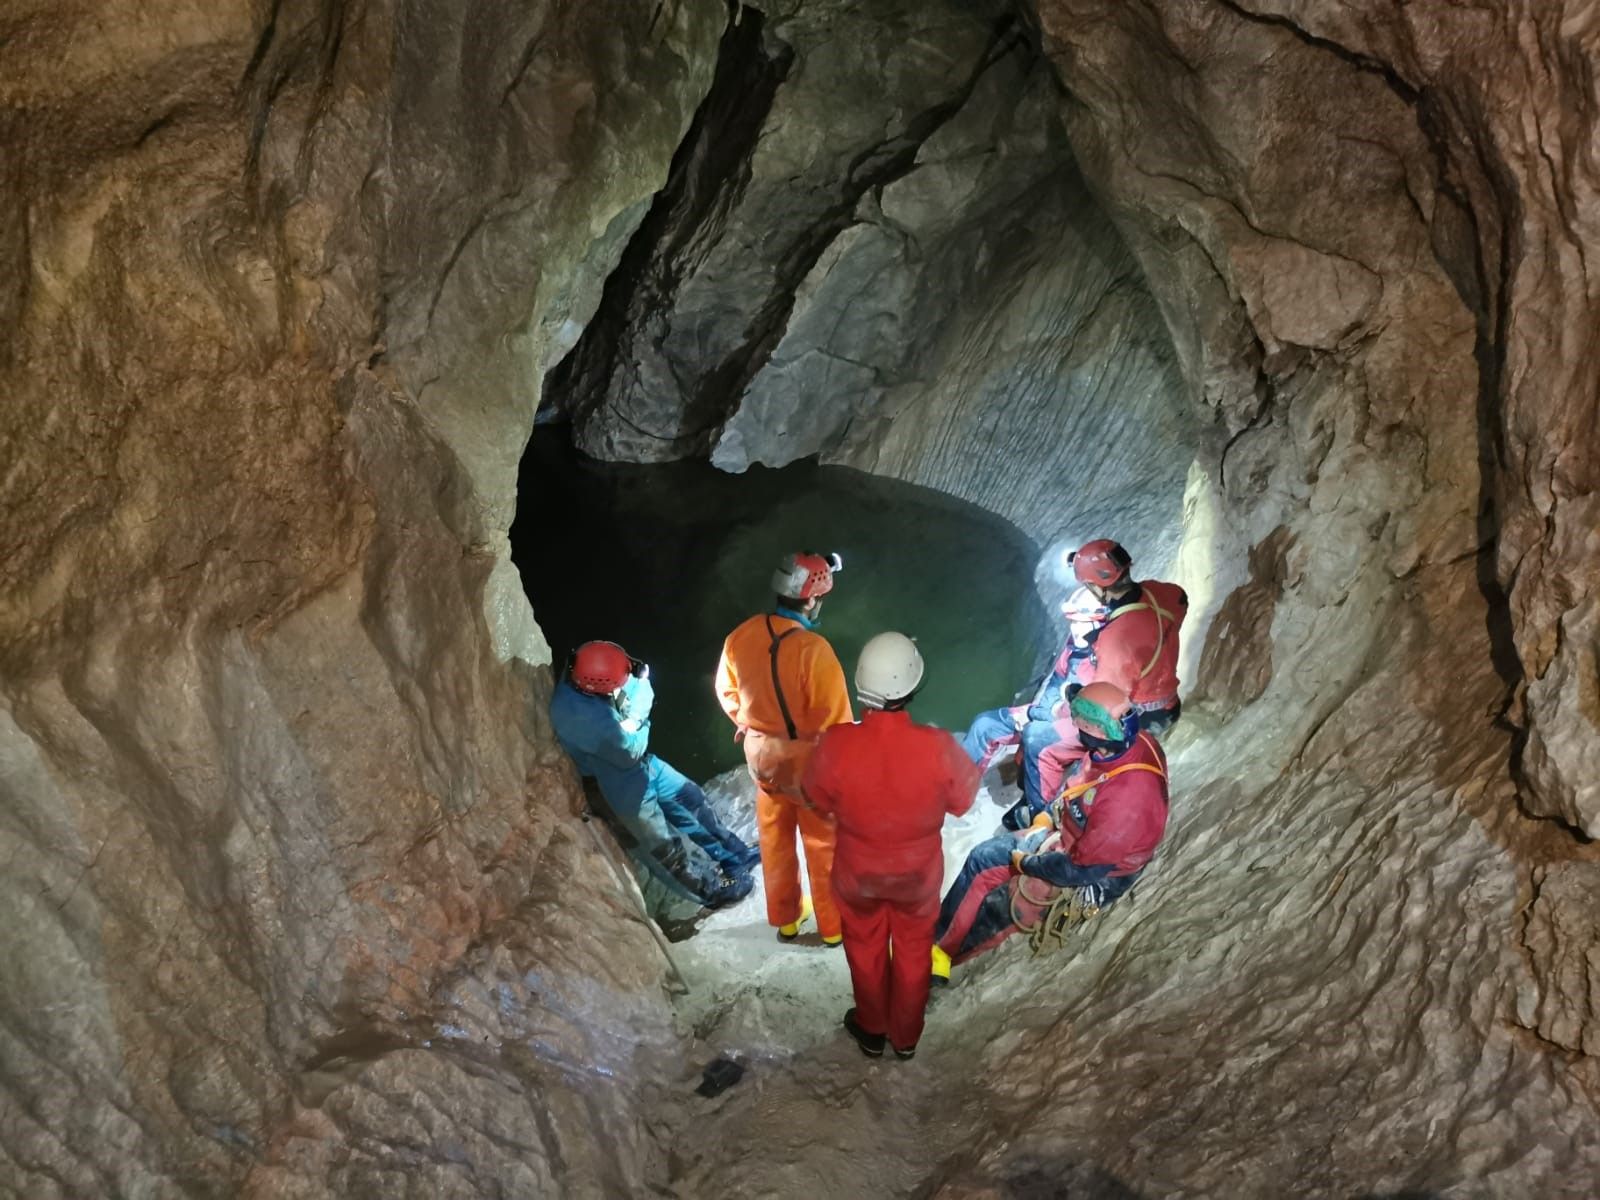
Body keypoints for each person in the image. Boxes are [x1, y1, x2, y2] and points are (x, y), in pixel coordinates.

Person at [803, 632, 979, 1060]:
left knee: (863, 946)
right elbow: (963, 800)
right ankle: (906, 1036)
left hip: (857, 874)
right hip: (916, 877)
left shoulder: (836, 744)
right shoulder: (937, 747)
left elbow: (816, 798)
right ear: (912, 685)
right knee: (915, 948)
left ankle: (872, 1028)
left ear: (861, 683)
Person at [932, 682, 1169, 982]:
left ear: (1093, 731)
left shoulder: (1126, 802)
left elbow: (1079, 870)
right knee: (984, 858)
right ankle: (940, 939)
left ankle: (938, 958)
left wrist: (1027, 863)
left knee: (1003, 903)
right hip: (1079, 834)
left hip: (1094, 871)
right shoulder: (1130, 745)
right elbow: (1084, 782)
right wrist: (1047, 815)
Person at [551, 640, 755, 912]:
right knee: (663, 850)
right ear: (597, 687)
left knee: (691, 799)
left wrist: (633, 713)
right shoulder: (577, 717)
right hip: (618, 792)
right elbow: (630, 748)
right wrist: (638, 718)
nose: (626, 681)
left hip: (641, 767)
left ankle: (735, 856)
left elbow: (637, 686)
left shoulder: (591, 671)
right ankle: (713, 892)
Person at [716, 551, 852, 946]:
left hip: (762, 757)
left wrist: (751, 722)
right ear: (810, 600)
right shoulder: (813, 650)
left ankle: (787, 919)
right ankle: (834, 927)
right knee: (822, 842)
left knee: (774, 836)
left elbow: (727, 693)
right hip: (807, 763)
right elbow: (837, 723)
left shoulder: (739, 636)